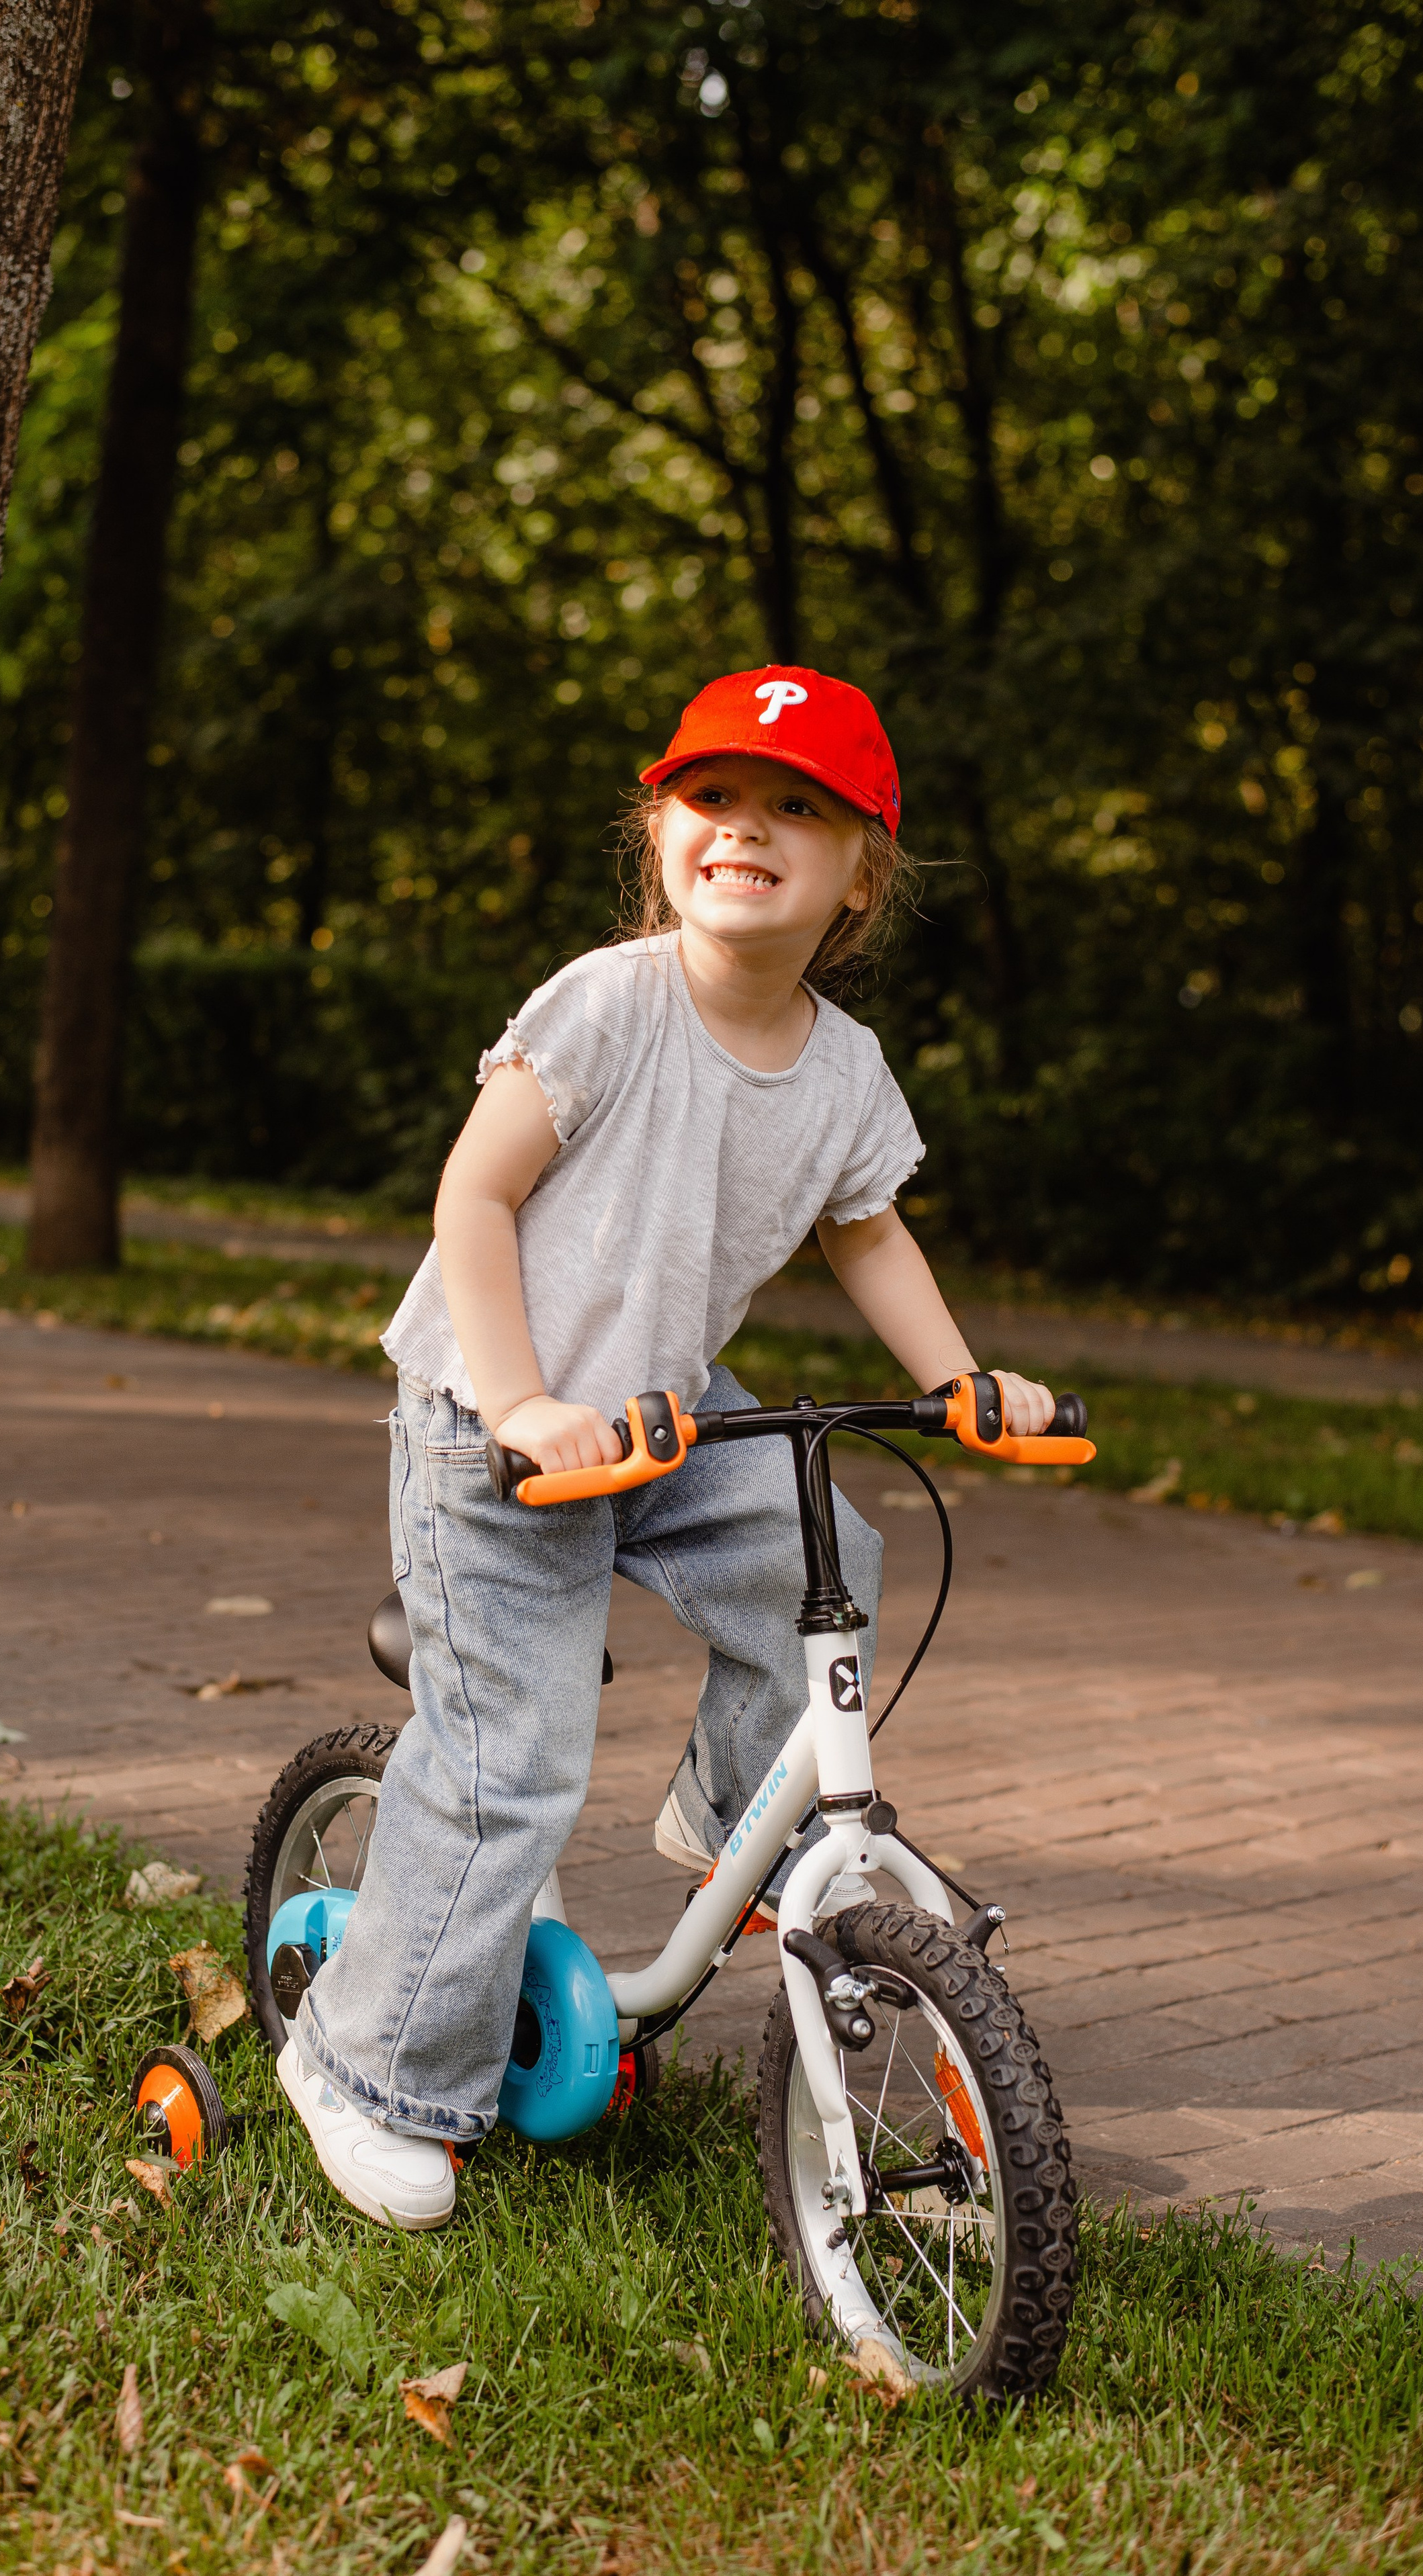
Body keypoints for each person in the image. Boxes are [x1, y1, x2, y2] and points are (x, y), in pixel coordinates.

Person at [278, 664, 1055, 2227]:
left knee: (818, 1551)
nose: (742, 829)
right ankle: (363, 2065)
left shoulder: (843, 1068)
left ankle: (725, 1813)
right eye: (710, 797)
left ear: (859, 874)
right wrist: (519, 1403)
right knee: (510, 1767)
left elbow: (864, 1230)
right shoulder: (609, 1003)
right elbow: (473, 1195)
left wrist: (960, 1378)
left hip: (662, 1413)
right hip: (496, 1428)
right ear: (660, 833)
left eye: (793, 808)